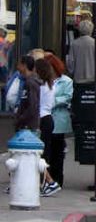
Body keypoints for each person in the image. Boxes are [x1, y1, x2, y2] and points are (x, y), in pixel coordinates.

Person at [44, 53, 72, 190]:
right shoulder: (43, 81)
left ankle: (58, 179)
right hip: (46, 119)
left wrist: (53, 102)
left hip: (59, 120)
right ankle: (47, 179)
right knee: (47, 151)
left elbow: (67, 97)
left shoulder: (66, 81)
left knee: (57, 152)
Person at [35, 58, 60, 197]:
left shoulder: (40, 87)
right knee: (43, 152)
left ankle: (50, 182)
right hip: (48, 118)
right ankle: (44, 182)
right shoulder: (51, 85)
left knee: (37, 154)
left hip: (42, 119)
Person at [65, 17, 96, 84]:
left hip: (79, 80)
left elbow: (71, 64)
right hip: (94, 79)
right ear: (91, 30)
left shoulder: (74, 43)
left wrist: (72, 73)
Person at [14, 55, 39, 132]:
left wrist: (21, 119)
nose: (17, 67)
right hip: (27, 124)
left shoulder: (30, 83)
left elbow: (32, 105)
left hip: (28, 126)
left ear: (24, 65)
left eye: (19, 64)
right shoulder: (28, 81)